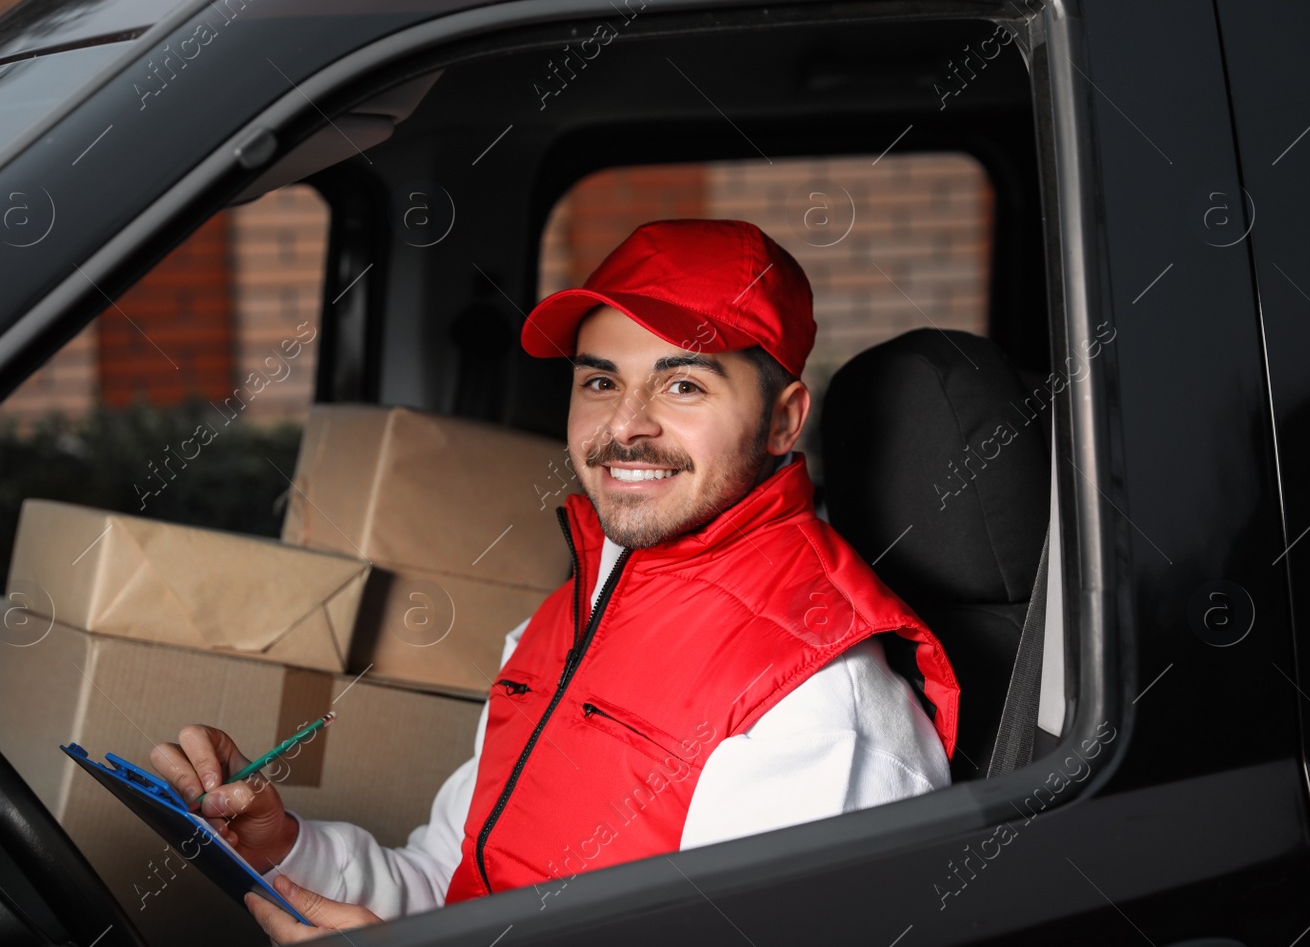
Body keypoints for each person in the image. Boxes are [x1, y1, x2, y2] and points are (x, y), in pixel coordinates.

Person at [149, 218, 959, 942]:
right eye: (600, 380)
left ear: (784, 419)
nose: (624, 424)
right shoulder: (563, 623)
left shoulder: (819, 706)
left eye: (683, 384)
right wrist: (285, 848)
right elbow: (454, 885)